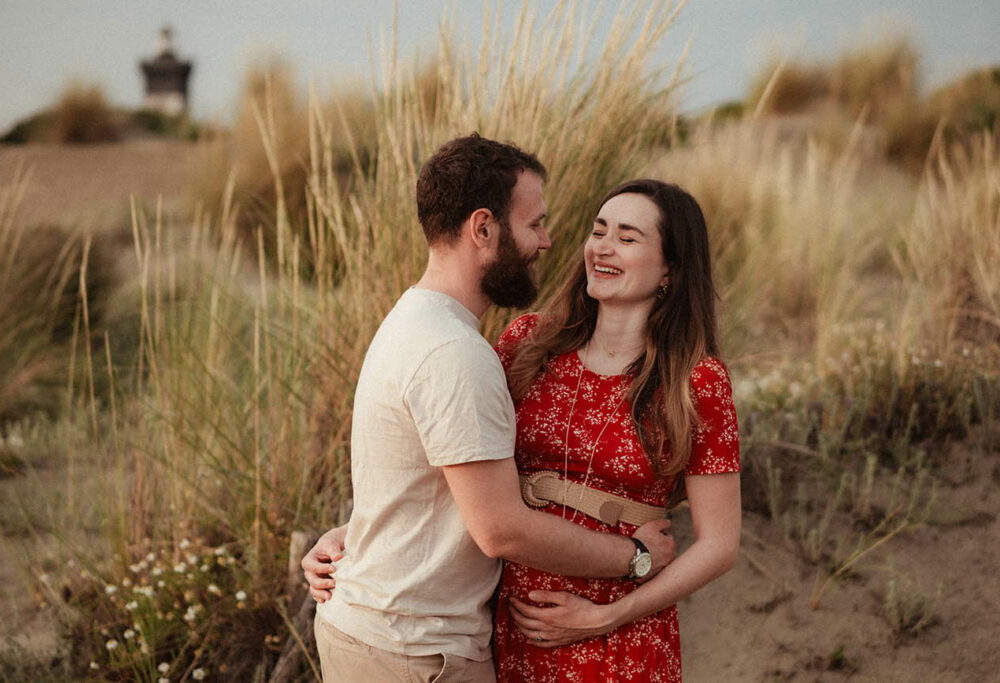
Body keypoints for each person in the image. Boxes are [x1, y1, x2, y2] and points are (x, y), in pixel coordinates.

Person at [302, 135, 674, 683]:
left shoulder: (412, 322)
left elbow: (419, 486)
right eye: (534, 224)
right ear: (483, 228)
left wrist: (356, 535)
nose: (546, 242)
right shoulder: (455, 354)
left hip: (377, 633)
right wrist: (635, 559)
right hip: (416, 653)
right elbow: (501, 530)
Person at [491, 179, 741, 682]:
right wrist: (360, 531)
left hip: (620, 637)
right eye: (598, 231)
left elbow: (719, 545)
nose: (602, 247)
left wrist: (603, 618)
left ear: (670, 267)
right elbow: (457, 464)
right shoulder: (527, 344)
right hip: (511, 623)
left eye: (628, 238)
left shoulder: (696, 381)